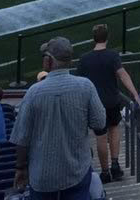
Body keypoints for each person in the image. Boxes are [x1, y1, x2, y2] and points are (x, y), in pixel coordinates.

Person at [12, 37, 106, 200]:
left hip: (42, 177)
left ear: (48, 61)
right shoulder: (85, 86)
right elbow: (99, 123)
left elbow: (22, 138)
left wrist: (20, 168)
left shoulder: (34, 92)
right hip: (76, 172)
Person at [76, 23, 140, 185]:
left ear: (94, 38)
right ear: (107, 37)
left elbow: (79, 84)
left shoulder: (84, 59)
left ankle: (105, 172)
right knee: (114, 129)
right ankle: (115, 164)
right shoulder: (112, 55)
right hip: (112, 100)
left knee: (100, 135)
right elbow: (123, 75)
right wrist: (135, 95)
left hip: (94, 103)